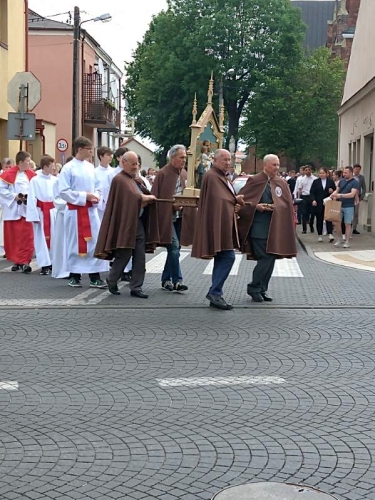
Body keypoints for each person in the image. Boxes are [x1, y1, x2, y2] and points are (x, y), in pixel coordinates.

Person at [95, 151, 156, 298]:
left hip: (138, 221)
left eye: (137, 164)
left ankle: (136, 286)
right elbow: (133, 197)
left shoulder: (136, 179)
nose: (136, 167)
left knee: (140, 256)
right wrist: (146, 197)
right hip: (125, 224)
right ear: (124, 162)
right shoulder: (119, 179)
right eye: (133, 164)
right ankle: (112, 279)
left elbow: (140, 194)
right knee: (124, 254)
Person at [238, 154, 297, 302]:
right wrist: (256, 207)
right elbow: (241, 201)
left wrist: (278, 207)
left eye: (278, 165)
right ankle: (254, 287)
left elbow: (287, 204)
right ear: (265, 165)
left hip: (275, 227)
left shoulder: (281, 183)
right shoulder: (255, 181)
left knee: (271, 258)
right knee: (265, 257)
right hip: (259, 227)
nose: (277, 168)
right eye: (274, 165)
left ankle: (262, 288)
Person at [192, 149, 244, 310]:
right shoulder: (212, 176)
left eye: (229, 160)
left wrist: (235, 201)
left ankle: (216, 293)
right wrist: (236, 199)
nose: (228, 163)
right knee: (228, 257)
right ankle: (215, 292)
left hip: (223, 222)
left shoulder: (222, 176)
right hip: (218, 223)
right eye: (224, 160)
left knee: (222, 257)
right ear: (215, 160)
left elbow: (224, 199)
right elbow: (219, 199)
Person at [57, 136, 109, 288]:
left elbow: (98, 187)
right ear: (80, 149)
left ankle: (95, 276)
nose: (91, 152)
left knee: (93, 243)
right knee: (75, 243)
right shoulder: (68, 168)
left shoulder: (89, 167)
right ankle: (74, 276)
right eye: (89, 149)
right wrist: (85, 196)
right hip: (75, 212)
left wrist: (97, 196)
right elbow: (63, 191)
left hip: (91, 211)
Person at [150, 144, 193, 292]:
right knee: (174, 247)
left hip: (181, 217)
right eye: (181, 157)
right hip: (167, 218)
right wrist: (171, 206)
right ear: (172, 157)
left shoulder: (185, 173)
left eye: (185, 158)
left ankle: (165, 279)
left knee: (176, 249)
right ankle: (177, 280)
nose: (184, 160)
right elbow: (156, 197)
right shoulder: (163, 174)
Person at [0, 151, 36, 273]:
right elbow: (1, 190)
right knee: (14, 238)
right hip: (13, 210)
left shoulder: (31, 175)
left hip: (26, 210)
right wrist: (14, 196)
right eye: (27, 161)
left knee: (26, 237)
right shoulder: (8, 175)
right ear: (20, 162)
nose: (29, 163)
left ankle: (25, 261)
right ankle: (17, 260)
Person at [26, 155, 58, 275]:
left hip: (52, 211)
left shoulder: (55, 180)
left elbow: (59, 197)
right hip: (40, 212)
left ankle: (54, 262)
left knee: (55, 238)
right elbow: (31, 198)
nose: (54, 168)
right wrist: (34, 215)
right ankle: (44, 264)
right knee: (41, 239)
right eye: (52, 165)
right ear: (45, 166)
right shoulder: (35, 180)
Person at [331, 166, 359, 249]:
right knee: (336, 222)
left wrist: (340, 195)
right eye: (343, 172)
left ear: (351, 173)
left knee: (347, 224)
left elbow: (352, 194)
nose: (344, 174)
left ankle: (347, 241)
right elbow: (337, 190)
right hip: (339, 204)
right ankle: (339, 238)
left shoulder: (355, 182)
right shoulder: (341, 181)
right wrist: (333, 194)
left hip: (349, 206)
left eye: (346, 173)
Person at [310, 168, 336, 242]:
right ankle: (319, 235)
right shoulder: (316, 182)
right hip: (318, 202)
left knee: (329, 218)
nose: (321, 175)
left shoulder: (330, 181)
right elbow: (312, 192)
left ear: (326, 173)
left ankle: (330, 233)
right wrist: (313, 200)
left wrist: (332, 191)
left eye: (323, 173)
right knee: (319, 219)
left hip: (328, 201)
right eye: (320, 173)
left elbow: (335, 190)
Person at [94, 146, 113, 222]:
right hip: (99, 207)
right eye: (108, 155)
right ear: (101, 156)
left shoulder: (114, 172)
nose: (111, 157)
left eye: (111, 155)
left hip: (111, 204)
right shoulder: (94, 172)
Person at [298, 165, 317, 234]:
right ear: (304, 171)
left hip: (312, 197)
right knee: (304, 213)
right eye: (306, 170)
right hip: (304, 196)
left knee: (312, 212)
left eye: (309, 169)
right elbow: (300, 189)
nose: (307, 171)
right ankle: (304, 229)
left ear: (311, 170)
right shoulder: (302, 179)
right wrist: (298, 198)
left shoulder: (315, 179)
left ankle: (311, 225)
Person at [352, 164, 366, 234]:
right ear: (353, 169)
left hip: (358, 197)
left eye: (358, 169)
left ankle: (354, 228)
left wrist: (361, 197)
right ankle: (347, 226)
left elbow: (364, 188)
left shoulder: (361, 178)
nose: (357, 170)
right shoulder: (350, 176)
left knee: (356, 213)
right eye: (356, 169)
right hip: (350, 197)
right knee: (349, 212)